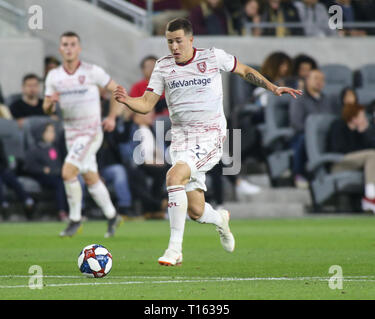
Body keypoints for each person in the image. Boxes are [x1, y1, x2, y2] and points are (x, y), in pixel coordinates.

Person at [114, 18, 302, 266]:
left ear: (191, 39)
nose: (174, 47)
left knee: (173, 177)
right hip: (181, 139)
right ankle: (220, 219)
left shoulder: (213, 57)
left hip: (211, 135)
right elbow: (147, 104)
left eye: (178, 41)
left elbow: (245, 70)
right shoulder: (163, 67)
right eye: (169, 42)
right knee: (196, 211)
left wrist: (272, 87)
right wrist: (128, 100)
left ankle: (174, 249)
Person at [43, 31, 123, 238]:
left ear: (79, 48)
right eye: (65, 45)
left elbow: (117, 90)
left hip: (90, 132)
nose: (69, 48)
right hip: (71, 132)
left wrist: (112, 117)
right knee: (90, 177)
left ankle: (75, 219)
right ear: (60, 49)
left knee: (68, 172)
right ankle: (113, 216)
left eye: (72, 44)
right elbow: (46, 109)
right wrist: (50, 105)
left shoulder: (92, 71)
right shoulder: (54, 76)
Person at [289, 69, 333, 188]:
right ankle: (298, 174)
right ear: (307, 80)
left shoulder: (326, 100)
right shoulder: (299, 98)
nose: (319, 82)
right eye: (316, 78)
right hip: (303, 134)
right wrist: (312, 132)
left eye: (322, 80)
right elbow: (296, 123)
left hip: (323, 135)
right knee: (304, 138)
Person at [327, 103, 375, 213]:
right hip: (339, 163)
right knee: (373, 155)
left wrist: (364, 133)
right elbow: (338, 149)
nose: (364, 119)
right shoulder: (338, 126)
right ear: (353, 117)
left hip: (355, 163)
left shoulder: (359, 131)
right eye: (361, 116)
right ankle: (370, 197)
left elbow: (369, 148)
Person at [23, 122, 69, 221]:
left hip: (56, 175)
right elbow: (28, 166)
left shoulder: (55, 147)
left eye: (53, 131)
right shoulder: (34, 149)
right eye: (49, 131)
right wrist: (42, 169)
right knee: (59, 183)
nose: (53, 134)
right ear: (41, 133)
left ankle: (73, 211)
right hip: (41, 177)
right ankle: (61, 211)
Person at [0, 137, 35, 219]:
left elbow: (3, 159)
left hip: (1, 169)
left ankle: (27, 200)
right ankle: (3, 204)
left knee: (13, 180)